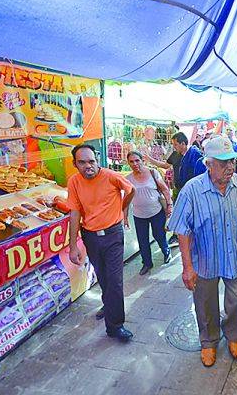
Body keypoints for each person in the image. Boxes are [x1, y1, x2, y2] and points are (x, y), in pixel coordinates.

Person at [166, 136, 237, 368]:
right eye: (223, 163)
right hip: (205, 260)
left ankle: (234, 337)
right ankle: (209, 341)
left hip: (235, 256)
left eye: (231, 160)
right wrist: (187, 267)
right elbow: (182, 229)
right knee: (205, 303)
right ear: (208, 164)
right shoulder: (192, 190)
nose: (230, 167)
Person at [67, 144, 135, 342]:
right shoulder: (74, 182)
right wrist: (73, 246)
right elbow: (75, 212)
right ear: (75, 164)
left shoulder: (111, 176)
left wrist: (122, 211)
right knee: (103, 278)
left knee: (114, 280)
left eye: (91, 161)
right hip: (91, 237)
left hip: (113, 235)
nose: (88, 166)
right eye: (82, 162)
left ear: (97, 160)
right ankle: (109, 305)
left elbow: (131, 191)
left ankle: (115, 326)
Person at [125, 151, 173, 276]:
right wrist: (124, 218)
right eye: (132, 161)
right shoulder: (128, 179)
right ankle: (147, 263)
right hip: (139, 215)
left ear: (142, 160)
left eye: (137, 160)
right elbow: (126, 200)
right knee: (143, 240)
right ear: (128, 163)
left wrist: (169, 205)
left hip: (156, 211)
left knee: (159, 235)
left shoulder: (153, 173)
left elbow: (164, 189)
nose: (135, 164)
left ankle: (166, 251)